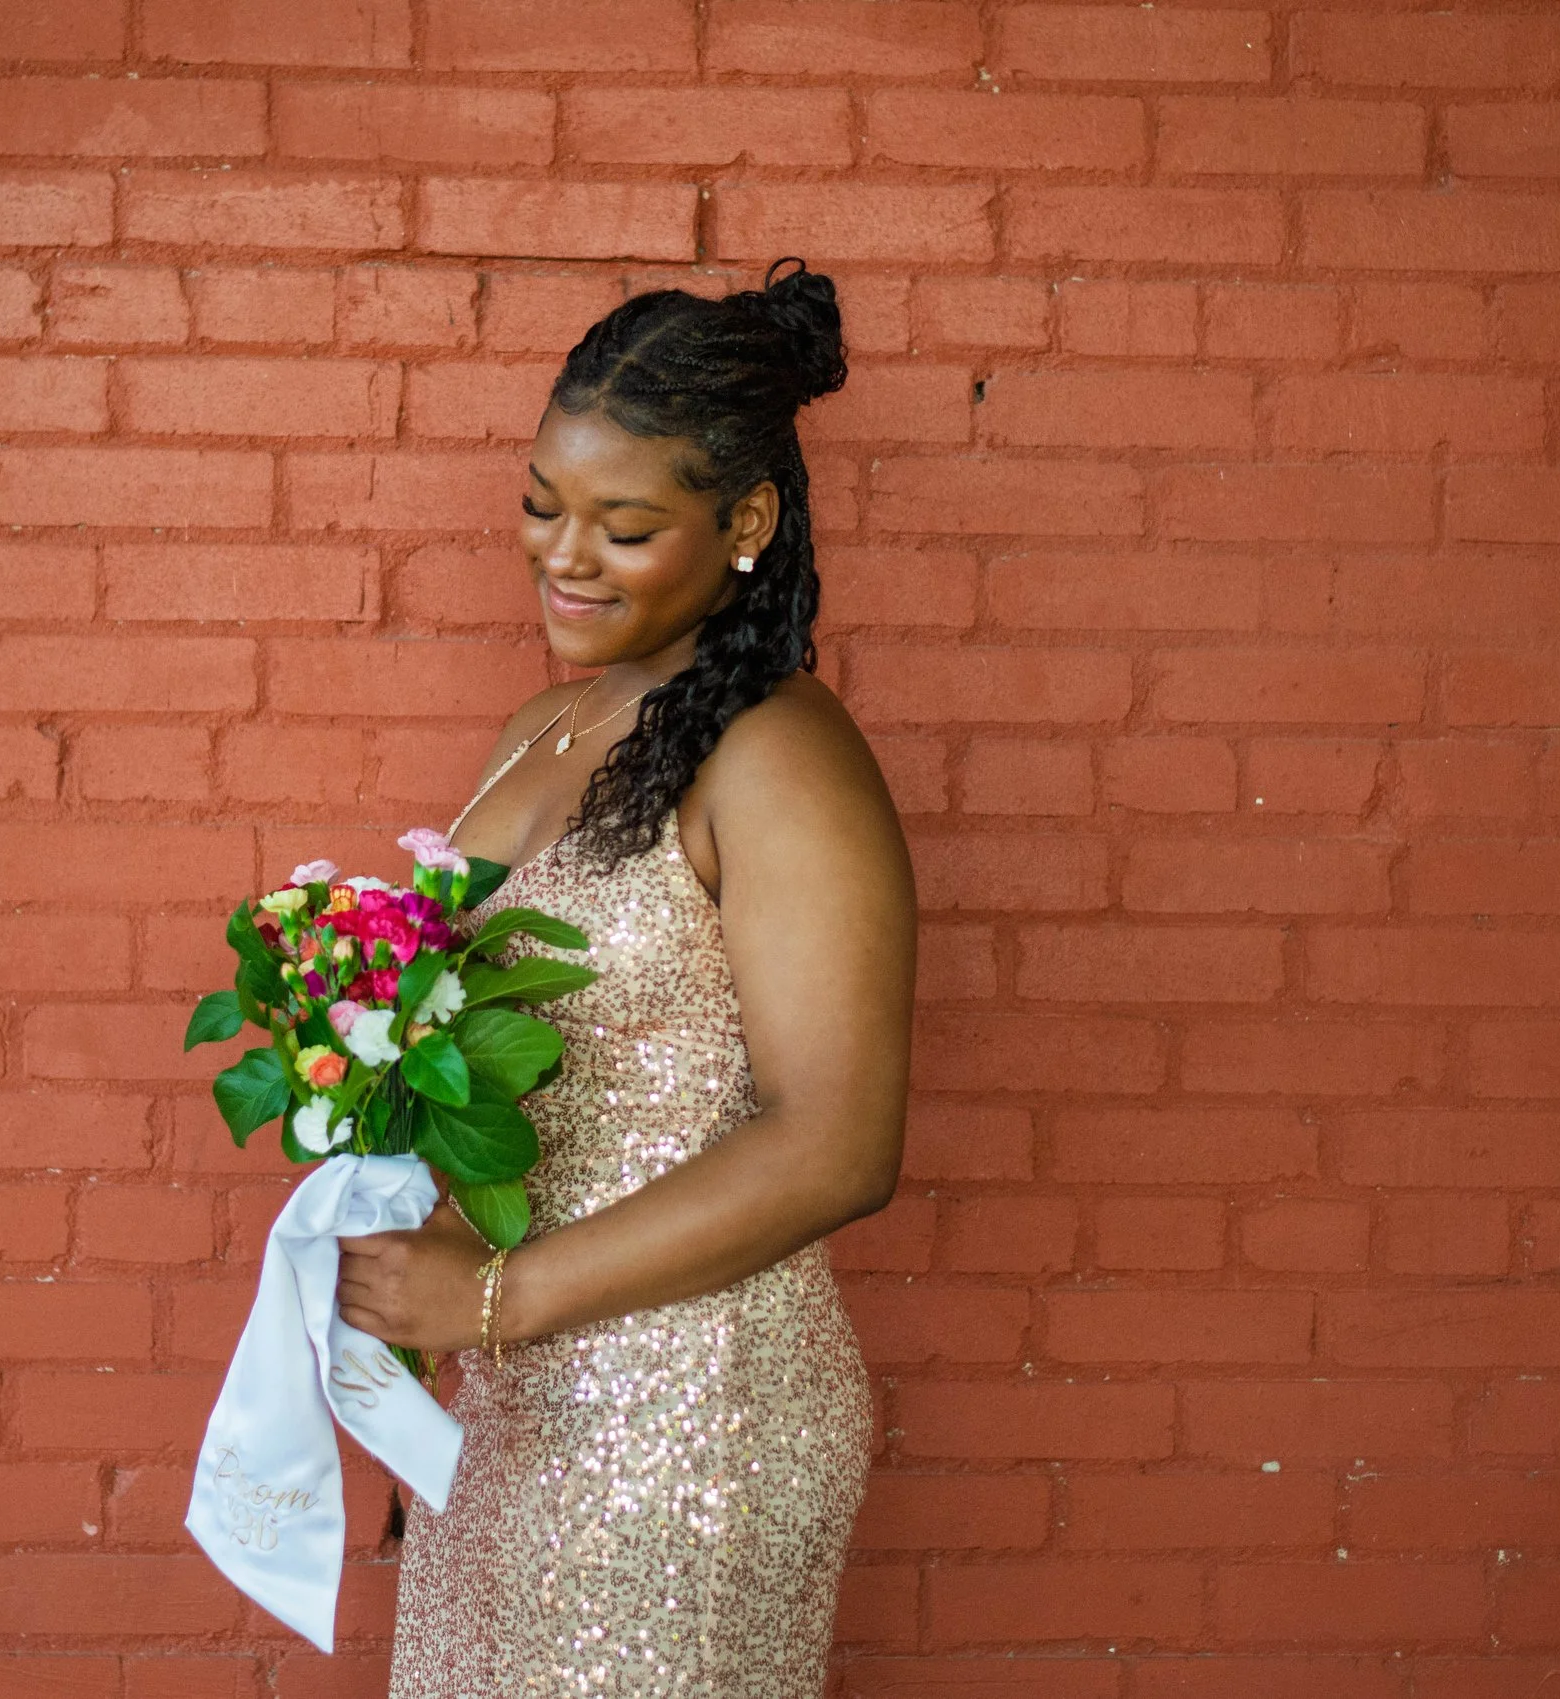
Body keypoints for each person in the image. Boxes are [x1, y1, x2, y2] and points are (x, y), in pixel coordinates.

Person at [333, 257, 918, 1695]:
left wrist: (497, 1299)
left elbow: (838, 1141)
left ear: (748, 524)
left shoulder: (781, 754)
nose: (564, 554)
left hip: (684, 1423)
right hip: (519, 1404)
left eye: (625, 523)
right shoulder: (544, 728)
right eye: (542, 504)